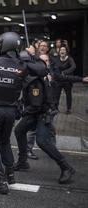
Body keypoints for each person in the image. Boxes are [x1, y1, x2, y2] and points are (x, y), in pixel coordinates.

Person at [0, 32, 48, 194]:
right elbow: (43, 70)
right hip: (11, 111)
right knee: (4, 142)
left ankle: (0, 181)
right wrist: (33, 55)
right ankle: (10, 175)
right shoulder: (22, 64)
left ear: (2, 45)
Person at [14, 52, 88, 184]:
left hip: (44, 113)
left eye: (46, 61)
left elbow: (65, 79)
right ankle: (22, 161)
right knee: (19, 130)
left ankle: (66, 167)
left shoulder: (44, 77)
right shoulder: (33, 75)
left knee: (42, 141)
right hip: (35, 112)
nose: (43, 64)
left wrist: (81, 79)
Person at [55, 46, 77, 114]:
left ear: (66, 52)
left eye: (64, 50)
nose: (62, 51)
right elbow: (54, 67)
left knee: (68, 94)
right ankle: (55, 108)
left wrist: (65, 72)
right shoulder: (57, 59)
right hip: (59, 79)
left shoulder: (70, 59)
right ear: (59, 52)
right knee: (57, 94)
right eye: (61, 50)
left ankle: (69, 109)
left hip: (67, 79)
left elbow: (74, 66)